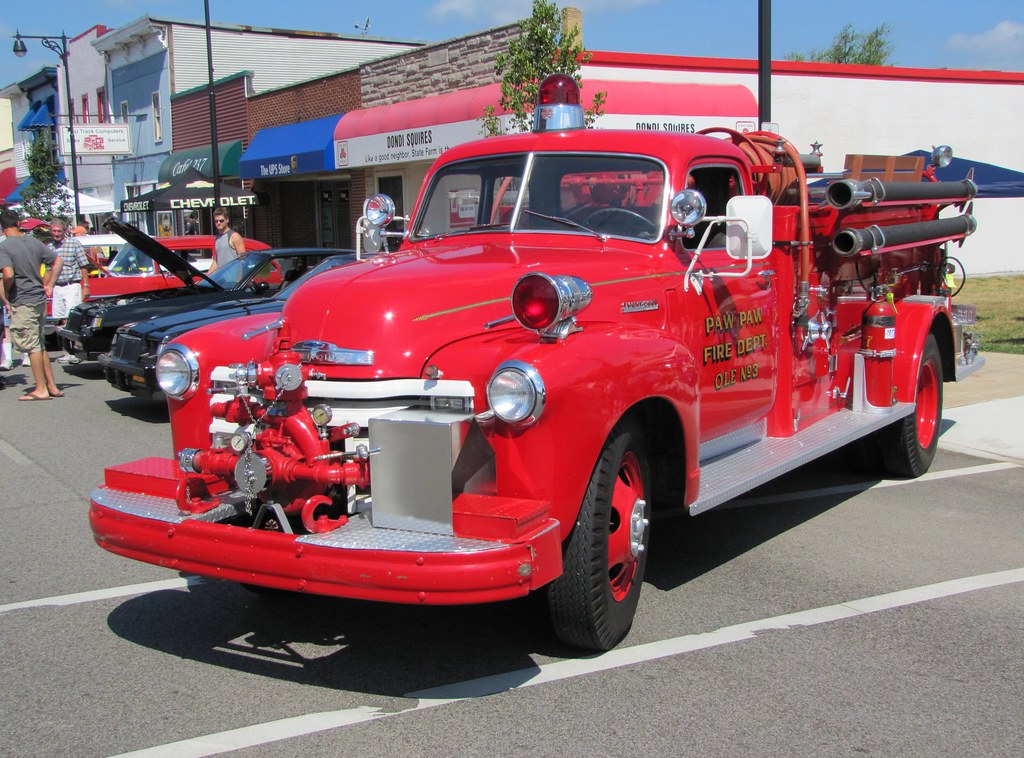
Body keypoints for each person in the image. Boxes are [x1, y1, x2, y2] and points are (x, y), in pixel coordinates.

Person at [0, 207, 65, 400]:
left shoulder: (4, 246)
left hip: (23, 299)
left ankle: (41, 389)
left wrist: (8, 290)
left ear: (2, 228)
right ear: (18, 223)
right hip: (38, 298)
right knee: (40, 343)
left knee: (32, 345)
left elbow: (8, 274)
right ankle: (51, 386)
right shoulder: (33, 241)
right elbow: (58, 261)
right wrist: (50, 284)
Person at [48, 219, 91, 364]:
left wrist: (85, 285)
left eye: (59, 231)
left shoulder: (73, 244)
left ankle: (75, 352)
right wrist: (47, 286)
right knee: (60, 321)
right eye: (54, 231)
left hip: (72, 285)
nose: (57, 234)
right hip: (57, 287)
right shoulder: (49, 247)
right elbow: (48, 269)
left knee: (72, 319)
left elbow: (83, 265)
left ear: (65, 231)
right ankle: (67, 351)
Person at [208, 207, 245, 274]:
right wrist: (206, 278)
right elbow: (216, 261)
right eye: (216, 221)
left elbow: (243, 259)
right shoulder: (217, 238)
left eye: (221, 220)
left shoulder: (234, 236)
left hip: (234, 280)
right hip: (222, 279)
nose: (218, 223)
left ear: (227, 220)